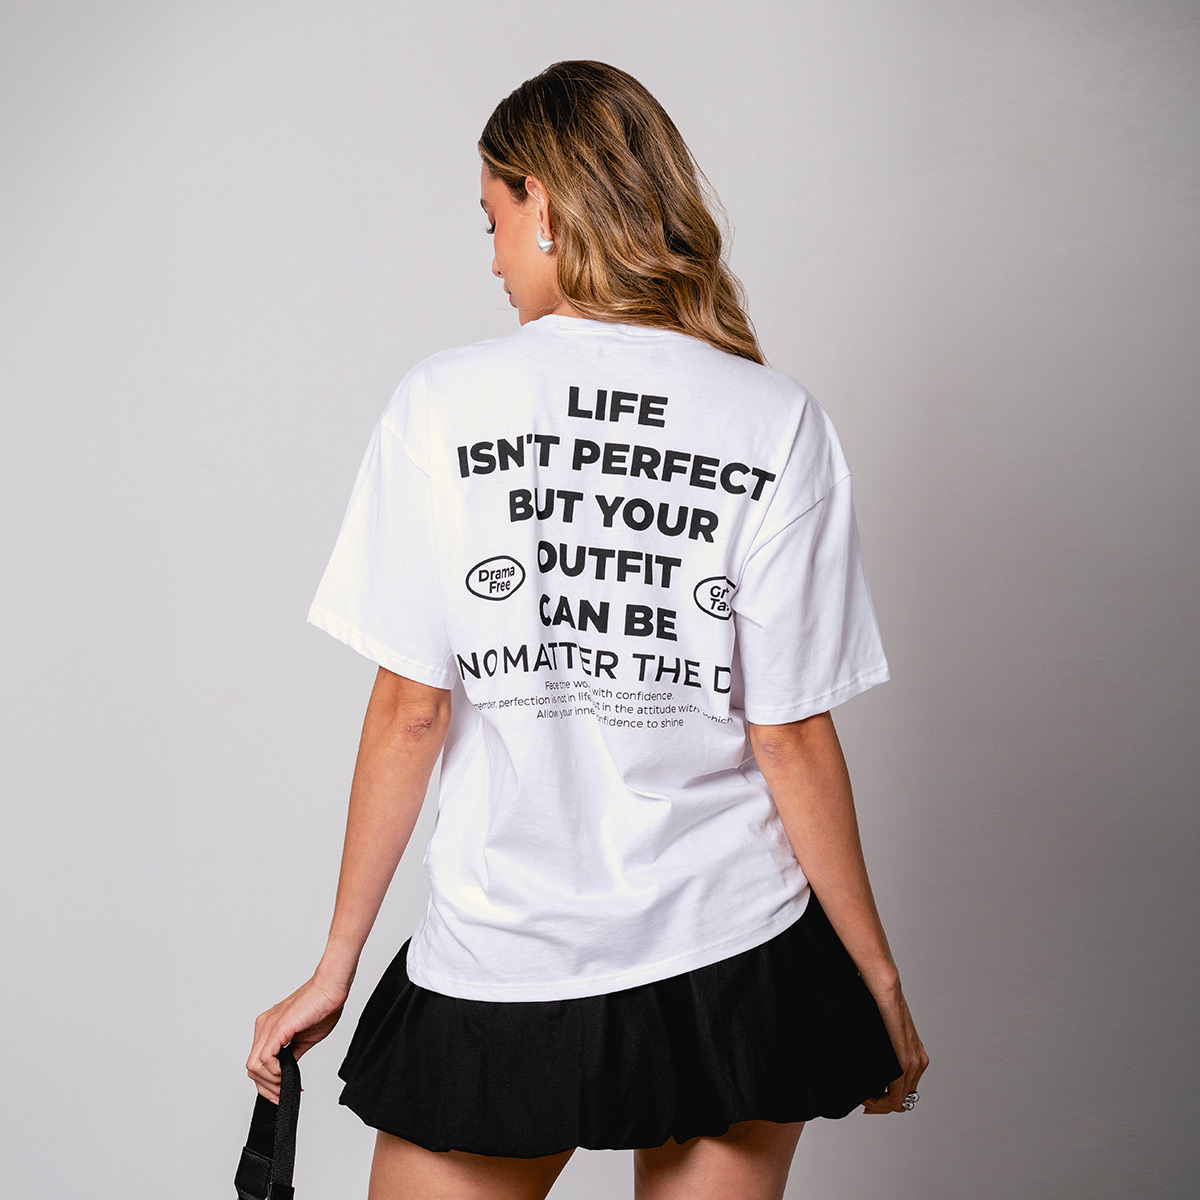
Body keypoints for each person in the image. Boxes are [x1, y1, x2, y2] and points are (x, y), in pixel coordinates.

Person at [246, 59, 928, 1200]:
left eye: (493, 220)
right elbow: (789, 734)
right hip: (736, 958)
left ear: (547, 209)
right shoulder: (774, 418)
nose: (493, 260)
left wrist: (335, 965)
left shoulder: (441, 405)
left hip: (506, 951)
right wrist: (878, 982)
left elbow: (411, 710)